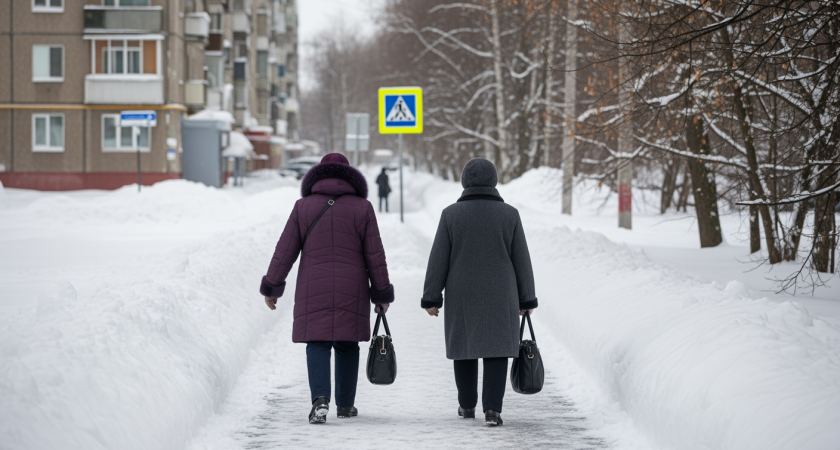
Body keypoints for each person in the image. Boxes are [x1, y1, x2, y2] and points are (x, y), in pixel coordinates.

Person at [260, 153, 395, 424]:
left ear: (318, 176)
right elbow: (375, 255)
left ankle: (320, 400)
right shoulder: (363, 208)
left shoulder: (303, 207)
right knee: (347, 343)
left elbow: (285, 250)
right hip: (352, 285)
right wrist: (381, 293)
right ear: (350, 177)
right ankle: (345, 405)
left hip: (313, 285)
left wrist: (272, 286)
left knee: (317, 342)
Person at [420, 157, 537, 427]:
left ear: (464, 182)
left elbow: (438, 259)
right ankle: (493, 410)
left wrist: (432, 297)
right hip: (501, 293)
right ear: (494, 181)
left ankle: (467, 405)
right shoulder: (509, 214)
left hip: (462, 293)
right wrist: (526, 298)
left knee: (465, 347)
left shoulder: (451, 214)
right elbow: (521, 259)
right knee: (497, 349)